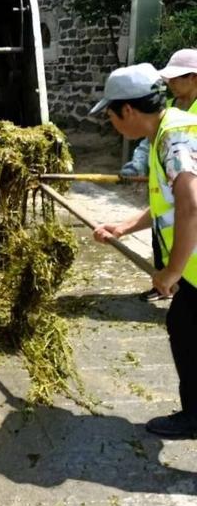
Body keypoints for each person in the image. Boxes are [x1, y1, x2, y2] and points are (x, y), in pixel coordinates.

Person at [89, 59, 197, 439]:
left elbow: (191, 205)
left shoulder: (174, 138)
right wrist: (124, 226)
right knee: (183, 327)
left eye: (112, 116)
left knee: (185, 329)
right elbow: (168, 200)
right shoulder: (164, 134)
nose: (113, 124)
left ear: (129, 110)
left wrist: (171, 272)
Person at [120, 49, 197, 301]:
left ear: (194, 78)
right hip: (168, 190)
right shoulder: (171, 108)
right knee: (162, 230)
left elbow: (191, 205)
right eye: (170, 79)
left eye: (177, 78)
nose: (171, 83)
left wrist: (174, 270)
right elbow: (148, 143)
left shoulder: (184, 124)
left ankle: (171, 275)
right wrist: (137, 164)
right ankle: (166, 280)